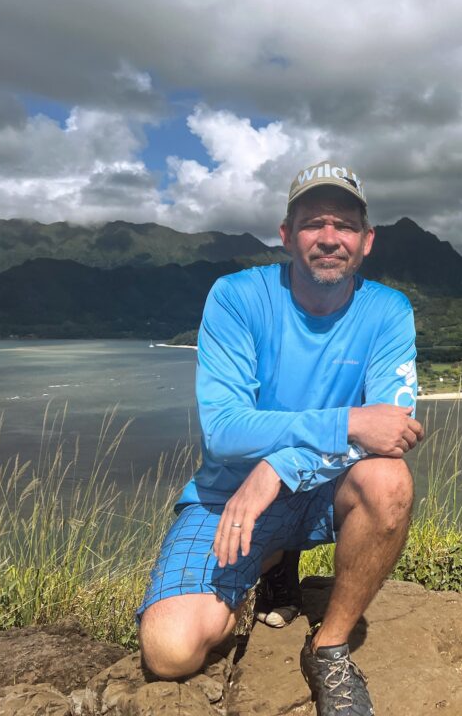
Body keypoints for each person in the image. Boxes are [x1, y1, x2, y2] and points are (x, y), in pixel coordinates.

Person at [137, 160, 424, 716]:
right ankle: (272, 560)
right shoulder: (238, 298)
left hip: (310, 490)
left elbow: (389, 431)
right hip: (231, 495)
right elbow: (224, 431)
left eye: (344, 226)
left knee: (388, 481)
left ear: (366, 242)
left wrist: (278, 467)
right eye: (314, 223)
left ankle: (331, 646)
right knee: (171, 652)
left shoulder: (388, 310)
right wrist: (346, 421)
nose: (329, 237)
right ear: (288, 235)